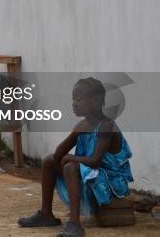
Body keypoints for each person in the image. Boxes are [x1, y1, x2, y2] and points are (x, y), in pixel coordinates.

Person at [18, 77, 133, 237]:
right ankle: (46, 214)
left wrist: (71, 158)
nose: (74, 103)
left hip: (111, 182)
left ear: (95, 101)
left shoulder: (107, 126)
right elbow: (59, 154)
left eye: (78, 99)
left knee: (71, 166)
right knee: (49, 161)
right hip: (92, 175)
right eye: (73, 99)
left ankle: (75, 224)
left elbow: (95, 161)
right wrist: (76, 134)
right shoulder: (83, 125)